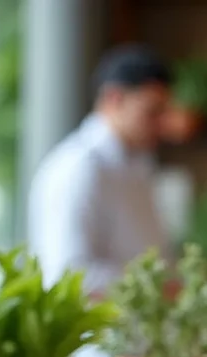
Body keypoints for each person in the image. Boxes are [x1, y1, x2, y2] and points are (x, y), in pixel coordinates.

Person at [28, 44, 176, 296]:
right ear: (114, 99)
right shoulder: (77, 167)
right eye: (152, 112)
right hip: (100, 333)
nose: (161, 125)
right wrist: (155, 287)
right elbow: (68, 273)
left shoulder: (140, 165)